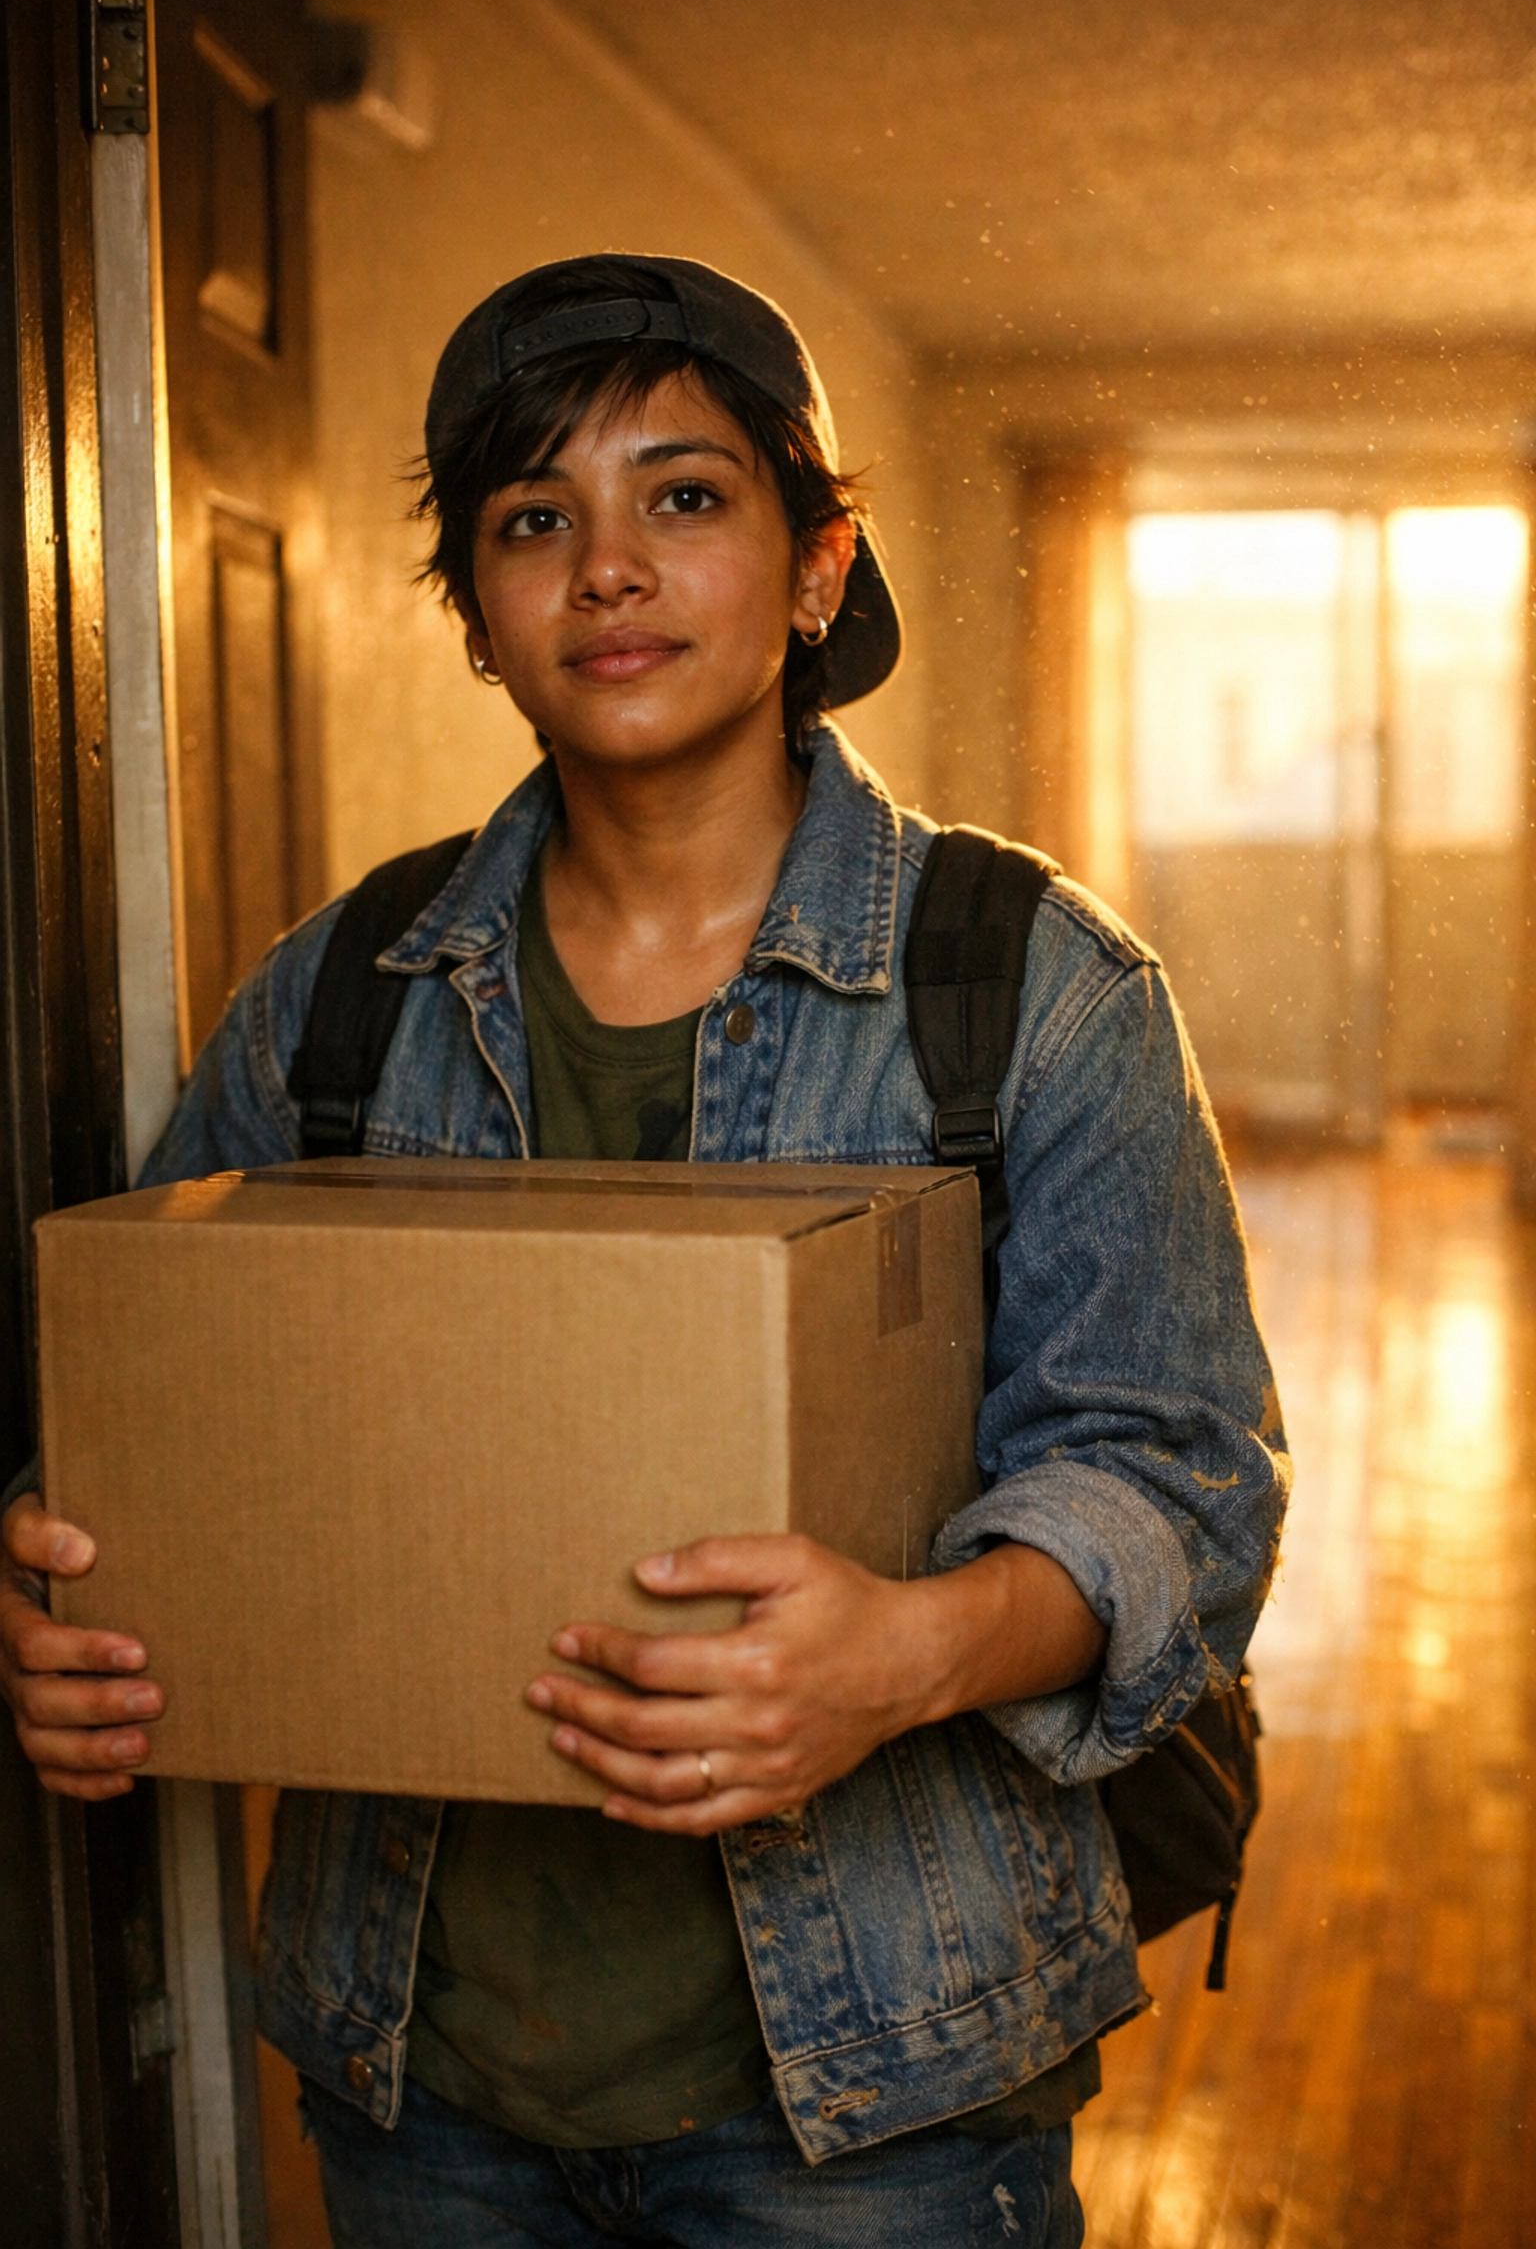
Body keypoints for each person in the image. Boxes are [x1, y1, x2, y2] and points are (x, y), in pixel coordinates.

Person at [0, 255, 1287, 2248]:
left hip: (882, 2102)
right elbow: (153, 1408)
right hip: (422, 2087)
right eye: (535, 519)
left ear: (813, 565)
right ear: (477, 618)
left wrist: (905, 1655)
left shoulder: (1029, 987)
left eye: (683, 497)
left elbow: (1182, 1495)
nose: (607, 567)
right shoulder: (337, 999)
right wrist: (62, 1589)